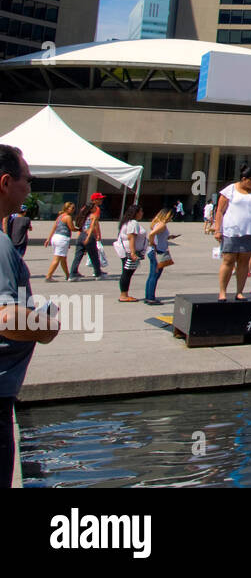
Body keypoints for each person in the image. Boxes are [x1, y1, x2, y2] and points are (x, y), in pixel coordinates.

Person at [0, 144, 60, 487]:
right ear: (6, 182)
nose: (30, 188)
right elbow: (6, 319)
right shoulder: (1, 246)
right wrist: (47, 326)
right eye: (28, 180)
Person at [212, 164, 251, 301]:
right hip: (232, 231)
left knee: (244, 262)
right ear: (244, 179)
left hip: (250, 231)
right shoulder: (230, 190)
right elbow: (220, 211)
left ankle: (239, 292)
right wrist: (218, 229)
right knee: (228, 261)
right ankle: (222, 292)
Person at [114, 203, 148, 302]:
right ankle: (123, 295)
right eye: (141, 211)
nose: (142, 213)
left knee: (127, 272)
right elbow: (131, 237)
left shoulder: (127, 222)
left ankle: (124, 294)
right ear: (136, 213)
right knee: (127, 273)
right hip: (129, 252)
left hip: (127, 251)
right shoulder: (133, 223)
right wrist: (133, 253)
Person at [144, 208, 178, 306]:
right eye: (171, 216)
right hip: (157, 252)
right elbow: (151, 234)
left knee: (152, 275)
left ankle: (149, 296)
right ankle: (151, 298)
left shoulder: (157, 223)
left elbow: (158, 235)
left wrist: (168, 237)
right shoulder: (162, 224)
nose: (171, 218)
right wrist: (152, 243)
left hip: (154, 251)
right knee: (155, 275)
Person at [69, 194, 105, 280]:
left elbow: (80, 227)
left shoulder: (83, 215)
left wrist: (80, 237)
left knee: (78, 256)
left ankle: (72, 274)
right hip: (89, 236)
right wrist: (95, 236)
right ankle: (98, 273)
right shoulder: (93, 215)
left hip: (81, 235)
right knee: (94, 256)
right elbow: (93, 227)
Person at [44, 202, 75, 281]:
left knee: (63, 258)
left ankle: (68, 275)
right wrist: (80, 229)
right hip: (62, 238)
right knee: (57, 258)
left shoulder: (59, 216)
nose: (73, 210)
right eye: (72, 208)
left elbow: (54, 228)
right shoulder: (68, 217)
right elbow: (72, 228)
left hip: (56, 237)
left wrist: (48, 239)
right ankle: (48, 276)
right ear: (67, 208)